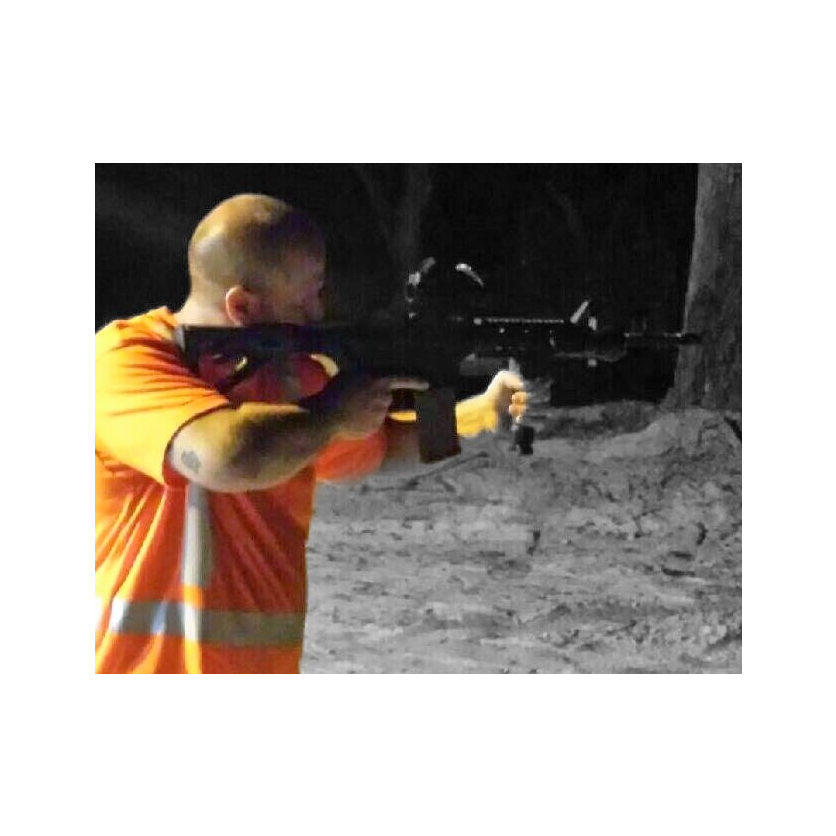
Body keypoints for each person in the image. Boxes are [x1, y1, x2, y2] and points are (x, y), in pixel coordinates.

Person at [95, 193, 527, 674]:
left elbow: (383, 449)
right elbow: (226, 456)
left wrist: (483, 412)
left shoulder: (294, 379)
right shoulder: (123, 361)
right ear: (242, 306)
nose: (318, 311)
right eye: (306, 295)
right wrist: (330, 415)